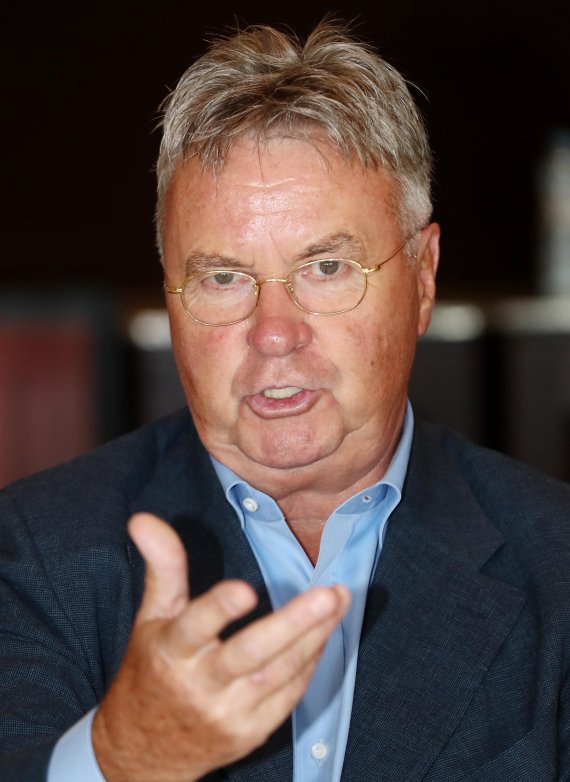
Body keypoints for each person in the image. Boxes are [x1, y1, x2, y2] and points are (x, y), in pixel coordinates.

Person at [1, 19, 569, 782]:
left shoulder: (556, 563)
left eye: (327, 268)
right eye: (223, 278)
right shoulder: (32, 554)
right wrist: (120, 760)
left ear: (424, 277)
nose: (274, 333)